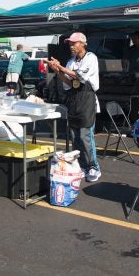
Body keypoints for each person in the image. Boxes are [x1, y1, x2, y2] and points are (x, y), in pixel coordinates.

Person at [48, 32, 101, 182]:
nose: (71, 46)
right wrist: (58, 71)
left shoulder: (91, 58)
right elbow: (69, 83)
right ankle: (83, 166)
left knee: (85, 136)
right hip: (74, 99)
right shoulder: (71, 61)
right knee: (74, 136)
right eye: (70, 44)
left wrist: (61, 67)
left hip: (87, 100)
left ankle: (93, 167)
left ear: (83, 44)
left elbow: (80, 77)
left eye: (74, 43)